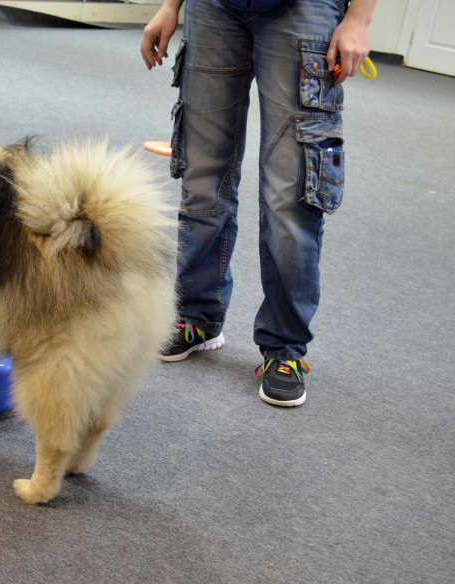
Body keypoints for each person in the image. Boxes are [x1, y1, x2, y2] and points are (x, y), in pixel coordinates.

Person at [140, 0, 375, 407]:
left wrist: (358, 18)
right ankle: (198, 315)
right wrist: (170, 5)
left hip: (303, 9)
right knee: (202, 177)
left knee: (289, 194)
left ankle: (285, 349)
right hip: (214, 8)